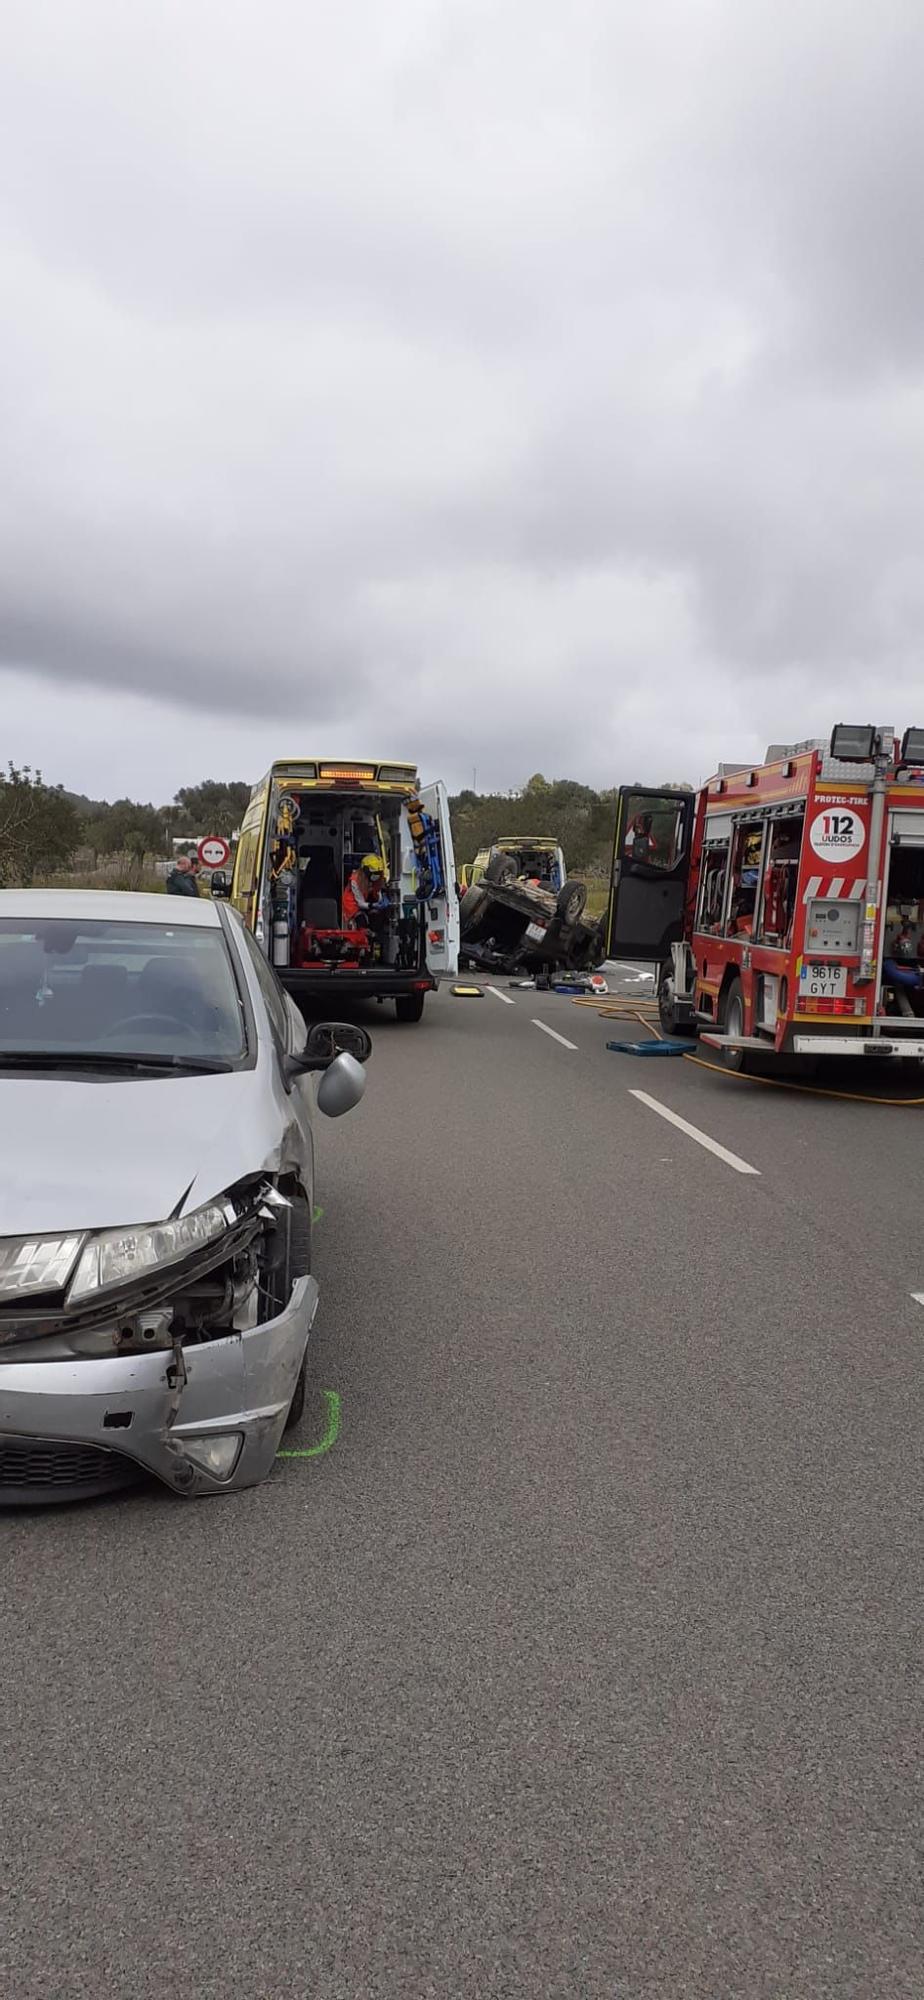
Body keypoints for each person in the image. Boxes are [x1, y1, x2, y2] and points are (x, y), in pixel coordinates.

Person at [343, 853, 388, 927]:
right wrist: (373, 905)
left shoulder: (378, 878)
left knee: (377, 919)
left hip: (367, 902)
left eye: (379, 873)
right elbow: (360, 903)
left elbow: (378, 892)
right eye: (375, 873)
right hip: (353, 906)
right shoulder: (355, 880)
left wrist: (382, 898)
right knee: (361, 921)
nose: (377, 875)